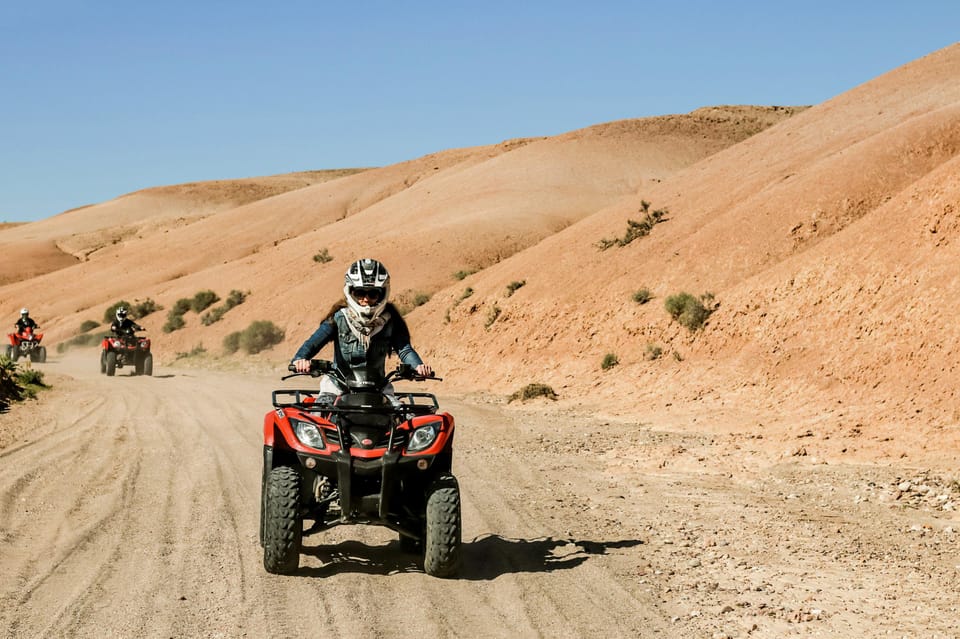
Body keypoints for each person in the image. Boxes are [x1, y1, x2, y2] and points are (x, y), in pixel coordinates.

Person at [291, 258, 433, 396]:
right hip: (338, 388)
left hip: (378, 389)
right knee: (319, 417)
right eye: (360, 292)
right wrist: (300, 360)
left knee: (402, 417)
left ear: (382, 293)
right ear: (350, 291)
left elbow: (404, 350)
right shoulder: (339, 318)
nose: (366, 299)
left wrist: (418, 367)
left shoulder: (390, 321)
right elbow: (313, 344)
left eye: (373, 293)